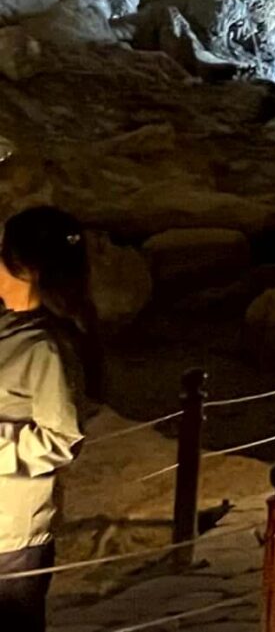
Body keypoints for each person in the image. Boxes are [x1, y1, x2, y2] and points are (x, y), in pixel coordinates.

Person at [0, 207, 96, 629]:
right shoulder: (10, 329)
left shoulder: (47, 348)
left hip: (12, 539)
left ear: (28, 269)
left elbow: (63, 438)